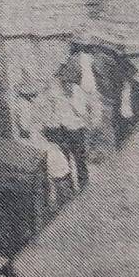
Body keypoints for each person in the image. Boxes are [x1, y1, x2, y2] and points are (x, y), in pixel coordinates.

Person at [42, 61, 94, 190]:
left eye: (67, 79)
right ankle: (70, 186)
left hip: (75, 128)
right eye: (62, 79)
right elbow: (51, 110)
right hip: (61, 128)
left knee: (79, 157)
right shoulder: (54, 92)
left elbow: (82, 111)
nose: (64, 82)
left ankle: (83, 182)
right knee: (65, 158)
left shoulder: (77, 91)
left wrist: (70, 100)